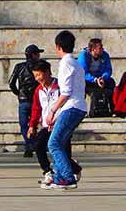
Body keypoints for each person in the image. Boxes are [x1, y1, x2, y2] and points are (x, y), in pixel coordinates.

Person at [42, 30, 88, 190]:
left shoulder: (65, 63)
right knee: (59, 142)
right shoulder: (76, 63)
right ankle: (60, 175)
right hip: (78, 107)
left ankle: (68, 177)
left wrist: (53, 111)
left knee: (53, 143)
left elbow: (66, 92)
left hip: (72, 107)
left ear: (58, 47)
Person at [27, 59, 82, 186]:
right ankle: (48, 171)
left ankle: (72, 171)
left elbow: (66, 104)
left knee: (63, 152)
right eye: (35, 76)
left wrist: (57, 118)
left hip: (61, 123)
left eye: (39, 75)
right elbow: (36, 108)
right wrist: (32, 125)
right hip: (47, 125)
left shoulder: (60, 87)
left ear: (47, 72)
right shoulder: (38, 90)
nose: (37, 78)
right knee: (39, 145)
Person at [8, 44, 43, 157]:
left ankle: (29, 145)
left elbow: (11, 83)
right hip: (36, 99)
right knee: (35, 123)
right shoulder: (39, 66)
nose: (39, 55)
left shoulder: (19, 67)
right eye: (38, 53)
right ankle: (33, 144)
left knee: (24, 125)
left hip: (23, 100)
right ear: (33, 55)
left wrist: (18, 93)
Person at [77, 37, 115, 117]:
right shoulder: (84, 56)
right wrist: (94, 79)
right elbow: (83, 73)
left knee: (111, 82)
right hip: (88, 80)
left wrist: (103, 78)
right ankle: (81, 110)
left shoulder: (105, 55)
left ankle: (113, 109)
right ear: (93, 49)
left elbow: (108, 69)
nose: (102, 49)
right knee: (80, 84)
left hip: (101, 79)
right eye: (100, 48)